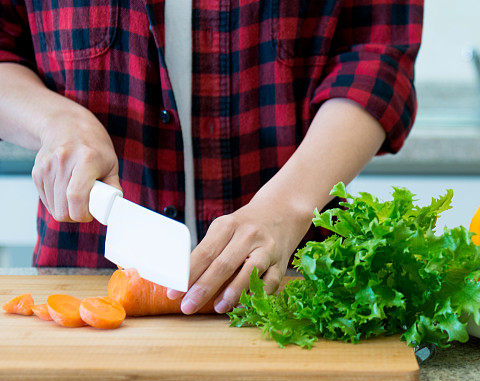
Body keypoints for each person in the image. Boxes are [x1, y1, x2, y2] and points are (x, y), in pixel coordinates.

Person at [0, 1, 422, 314]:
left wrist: (289, 206)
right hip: (84, 279)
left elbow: (378, 54)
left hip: (290, 286)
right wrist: (56, 119)